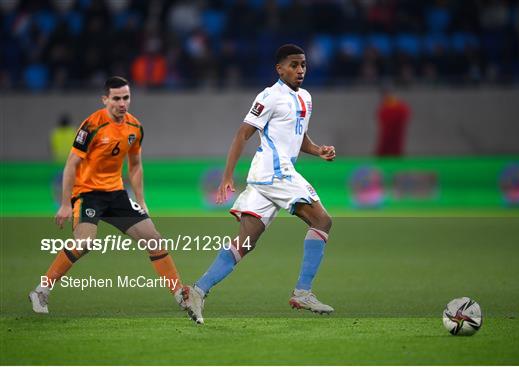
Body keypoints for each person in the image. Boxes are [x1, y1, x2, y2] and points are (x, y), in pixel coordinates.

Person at [182, 44, 336, 324]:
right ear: (280, 69)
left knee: (244, 243)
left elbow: (297, 136)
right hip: (275, 173)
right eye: (293, 65)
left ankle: (197, 291)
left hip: (268, 177)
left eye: (303, 64)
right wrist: (228, 175)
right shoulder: (269, 96)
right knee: (322, 221)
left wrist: (318, 150)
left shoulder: (306, 98)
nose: (300, 70)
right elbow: (242, 134)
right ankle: (302, 291)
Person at [29, 76, 185, 314]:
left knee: (154, 239)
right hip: (87, 193)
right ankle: (42, 290)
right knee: (84, 243)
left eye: (126, 98)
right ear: (105, 99)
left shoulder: (134, 127)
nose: (122, 103)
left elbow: (135, 165)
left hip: (116, 193)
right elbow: (71, 165)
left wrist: (141, 201)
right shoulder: (92, 125)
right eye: (116, 98)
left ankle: (180, 295)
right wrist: (64, 204)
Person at [375, 86, 411, 156]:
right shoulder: (385, 106)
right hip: (387, 131)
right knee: (384, 146)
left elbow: (405, 114)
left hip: (396, 131)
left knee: (395, 147)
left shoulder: (399, 105)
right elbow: (381, 116)